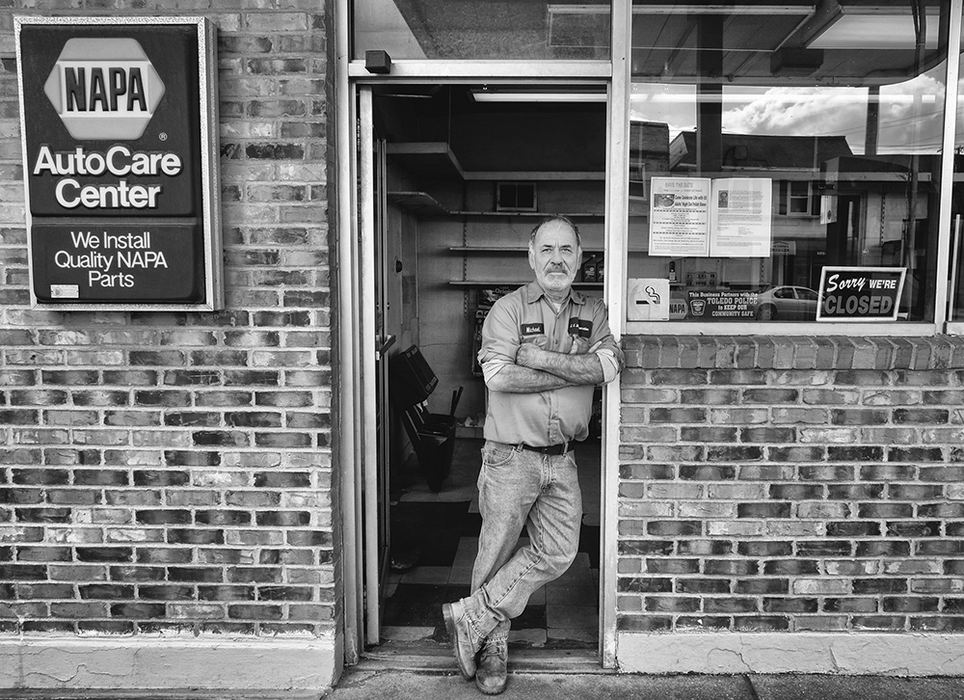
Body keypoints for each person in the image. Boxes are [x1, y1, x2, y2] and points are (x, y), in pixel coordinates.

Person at [442, 216, 623, 695]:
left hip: (562, 459)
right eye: (547, 249)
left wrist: (538, 357)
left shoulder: (595, 311)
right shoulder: (505, 310)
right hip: (510, 455)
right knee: (495, 552)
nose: (557, 259)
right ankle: (490, 650)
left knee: (560, 551)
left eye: (566, 249)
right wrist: (576, 372)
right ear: (531, 255)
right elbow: (499, 377)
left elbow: (607, 365)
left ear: (581, 257)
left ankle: (472, 617)